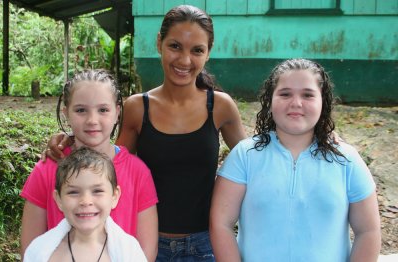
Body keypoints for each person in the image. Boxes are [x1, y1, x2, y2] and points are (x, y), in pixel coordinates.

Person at [44, 5, 247, 261]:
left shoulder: (220, 106)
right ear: (159, 43)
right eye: (175, 46)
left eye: (197, 50)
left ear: (208, 53)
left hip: (206, 244)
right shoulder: (138, 107)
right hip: (147, 243)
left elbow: (252, 160)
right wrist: (71, 141)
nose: (185, 60)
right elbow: (110, 165)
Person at [209, 59, 381, 262]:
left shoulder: (347, 160)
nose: (296, 103)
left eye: (307, 95)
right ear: (270, 100)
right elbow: (221, 223)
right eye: (285, 94)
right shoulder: (244, 156)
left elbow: (368, 231)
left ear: (323, 101)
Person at [20, 69, 158, 261]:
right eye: (81, 110)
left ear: (117, 112)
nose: (92, 120)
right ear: (66, 112)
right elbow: (30, 250)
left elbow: (146, 253)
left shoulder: (137, 172)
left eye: (103, 110)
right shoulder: (47, 169)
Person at [24, 147, 147, 262]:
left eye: (97, 191)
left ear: (114, 196)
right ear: (59, 200)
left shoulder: (130, 253)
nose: (86, 201)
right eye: (73, 192)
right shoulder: (40, 251)